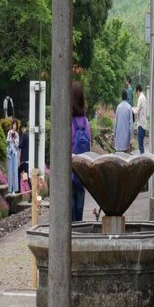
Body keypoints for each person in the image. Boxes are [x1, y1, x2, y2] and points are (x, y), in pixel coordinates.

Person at [70, 80, 91, 223]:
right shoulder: (86, 122)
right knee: (79, 213)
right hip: (82, 173)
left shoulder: (68, 122)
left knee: (70, 217)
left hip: (70, 173)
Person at [113, 87, 133, 153]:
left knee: (118, 158)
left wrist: (114, 134)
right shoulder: (129, 107)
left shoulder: (118, 107)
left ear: (121, 97)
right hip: (126, 139)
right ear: (127, 96)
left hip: (118, 138)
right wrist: (131, 138)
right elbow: (131, 124)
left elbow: (115, 123)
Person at [6, 118, 20, 191]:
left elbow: (17, 145)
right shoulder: (9, 132)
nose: (14, 126)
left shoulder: (17, 134)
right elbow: (7, 141)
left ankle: (14, 189)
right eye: (13, 124)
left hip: (14, 153)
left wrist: (14, 139)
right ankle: (9, 189)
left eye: (15, 125)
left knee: (15, 171)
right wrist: (11, 138)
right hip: (9, 154)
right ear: (12, 125)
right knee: (9, 171)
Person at [133, 83, 147, 154]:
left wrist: (131, 109)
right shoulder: (144, 97)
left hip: (141, 124)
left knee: (140, 146)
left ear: (138, 91)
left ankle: (143, 161)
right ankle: (143, 159)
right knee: (141, 145)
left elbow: (137, 111)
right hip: (143, 123)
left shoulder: (140, 98)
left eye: (136, 92)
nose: (136, 94)